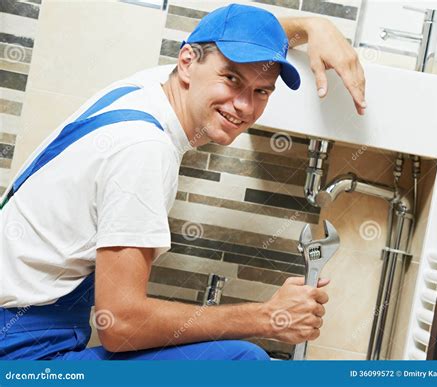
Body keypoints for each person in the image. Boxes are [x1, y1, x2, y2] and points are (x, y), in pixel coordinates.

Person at [0, 3, 365, 360]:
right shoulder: (144, 149)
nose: (244, 105)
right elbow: (121, 325)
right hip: (20, 357)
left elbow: (233, 39)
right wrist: (268, 316)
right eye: (232, 79)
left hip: (25, 331)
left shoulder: (148, 89)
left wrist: (314, 26)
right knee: (241, 364)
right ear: (187, 62)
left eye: (262, 91)